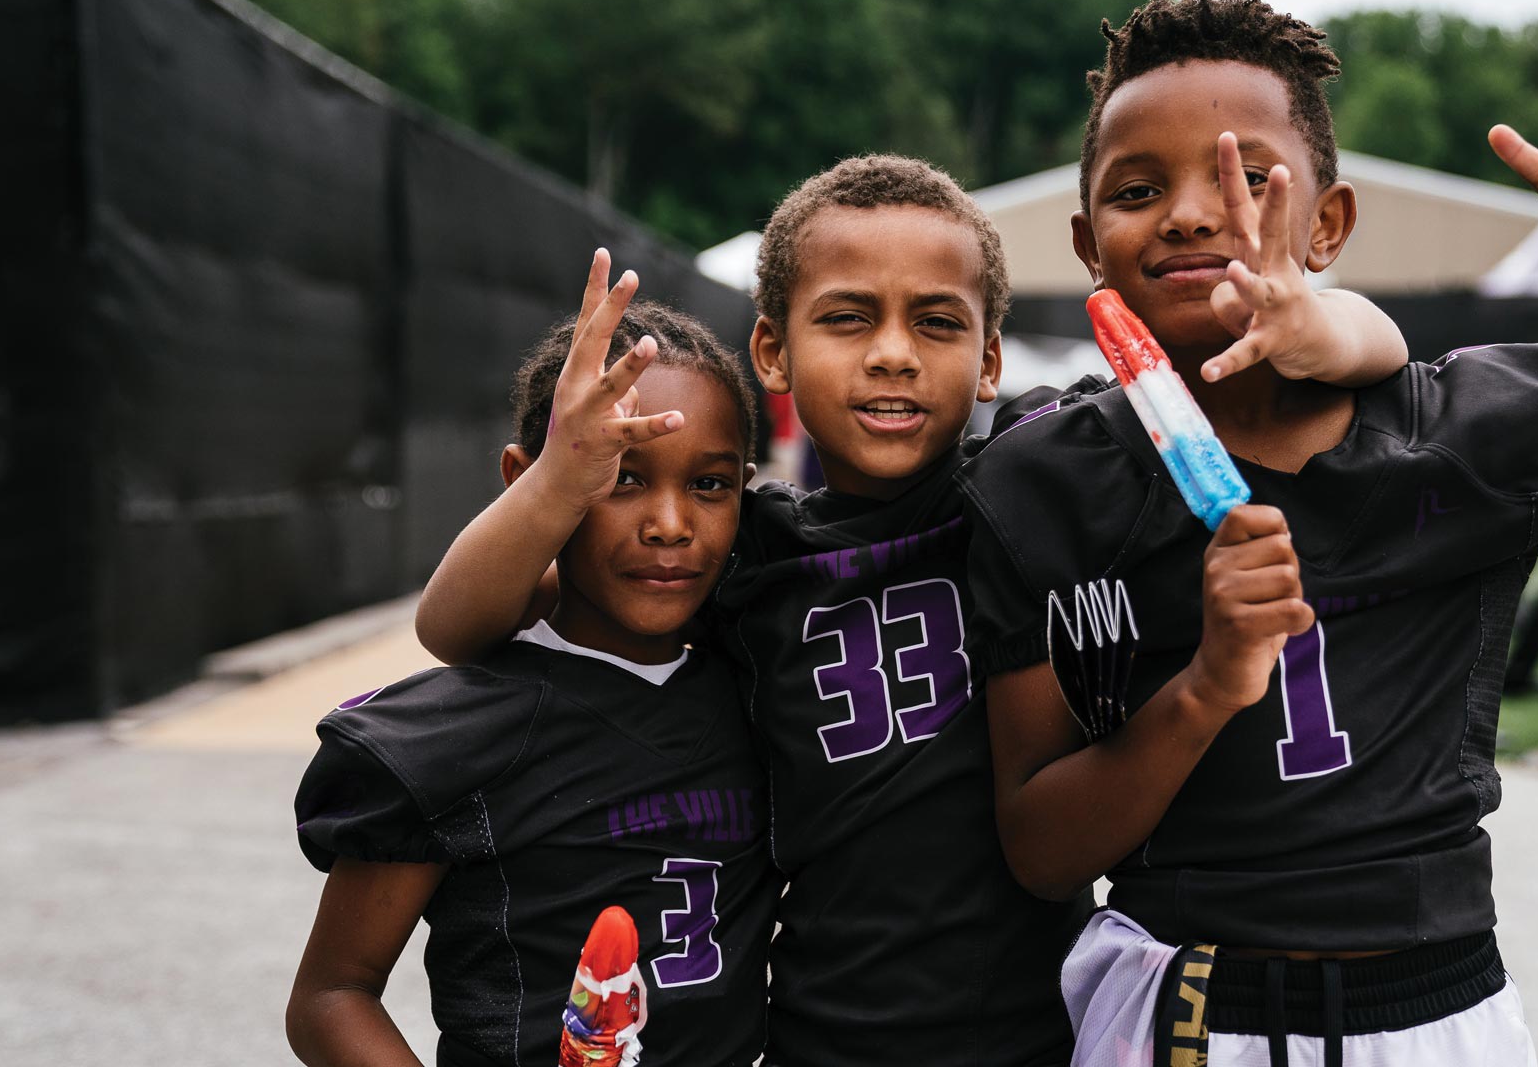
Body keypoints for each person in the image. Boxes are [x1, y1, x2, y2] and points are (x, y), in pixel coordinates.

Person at [956, 0, 1538, 1065]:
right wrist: (1204, 688)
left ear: (1329, 224)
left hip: (1442, 1014)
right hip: (1188, 1009)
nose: (1193, 215)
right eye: (1138, 189)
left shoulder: (1462, 432)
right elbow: (1042, 851)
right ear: (1089, 245)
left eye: (1246, 177)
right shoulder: (1048, 477)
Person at [414, 154, 1408, 1065]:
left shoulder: (1043, 480)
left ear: (988, 361)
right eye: (848, 318)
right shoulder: (742, 553)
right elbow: (455, 626)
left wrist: (1323, 321)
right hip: (824, 1037)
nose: (893, 354)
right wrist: (557, 481)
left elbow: (1379, 349)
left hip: (1051, 1031)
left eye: (936, 323)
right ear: (772, 348)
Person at [286, 295, 775, 1067]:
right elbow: (330, 997)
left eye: (710, 486)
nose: (672, 524)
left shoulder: (762, 680)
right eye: (621, 478)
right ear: (530, 480)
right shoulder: (460, 736)